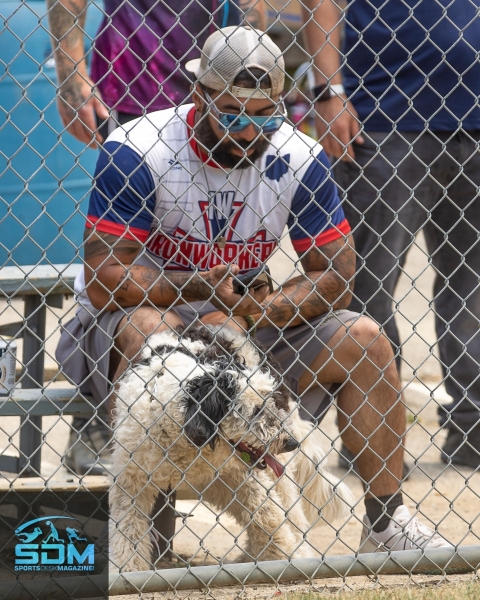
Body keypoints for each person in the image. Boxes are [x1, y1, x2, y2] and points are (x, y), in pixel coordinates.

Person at [56, 25, 454, 552]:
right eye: (232, 116)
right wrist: (193, 285)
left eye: (264, 116)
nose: (248, 133)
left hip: (241, 326)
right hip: (131, 322)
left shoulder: (299, 155)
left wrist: (262, 308)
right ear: (199, 96)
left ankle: (386, 524)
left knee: (366, 338)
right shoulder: (139, 148)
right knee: (150, 330)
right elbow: (106, 278)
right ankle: (152, 536)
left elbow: (335, 274)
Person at [47, 0, 266, 475]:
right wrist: (73, 76)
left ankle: (206, 425)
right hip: (131, 83)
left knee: (207, 253)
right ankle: (101, 424)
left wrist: (251, 59)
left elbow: (251, 5)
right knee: (127, 271)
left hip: (218, 83)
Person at [302, 0, 480, 469]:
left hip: (475, 121)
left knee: (473, 288)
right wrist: (327, 91)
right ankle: (373, 441)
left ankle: (473, 432)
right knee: (368, 291)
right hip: (383, 119)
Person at [47, 0, 266, 148]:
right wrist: (71, 76)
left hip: (221, 89)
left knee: (222, 209)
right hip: (136, 86)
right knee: (138, 208)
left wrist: (255, 67)